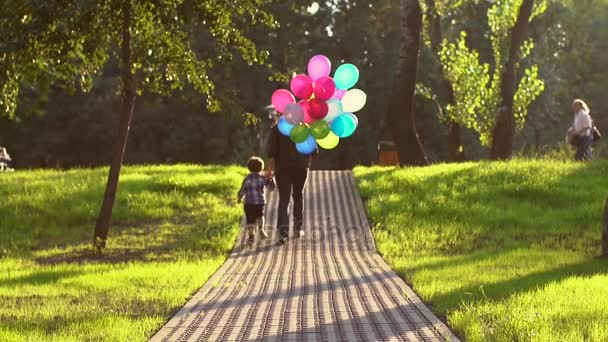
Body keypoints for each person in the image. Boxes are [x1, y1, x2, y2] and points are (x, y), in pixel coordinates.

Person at [266, 117, 317, 245]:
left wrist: (269, 172)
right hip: (301, 166)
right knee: (298, 195)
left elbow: (271, 152)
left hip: (282, 167)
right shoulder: (305, 127)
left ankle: (282, 234)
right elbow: (314, 151)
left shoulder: (277, 129)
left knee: (284, 199)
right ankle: (298, 228)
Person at [237, 157, 276, 243]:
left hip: (248, 203)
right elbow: (271, 188)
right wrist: (271, 180)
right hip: (259, 203)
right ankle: (261, 229)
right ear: (261, 167)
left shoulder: (247, 178)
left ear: (249, 168)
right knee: (260, 216)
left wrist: (239, 197)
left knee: (250, 220)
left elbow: (243, 190)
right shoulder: (262, 178)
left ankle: (251, 236)